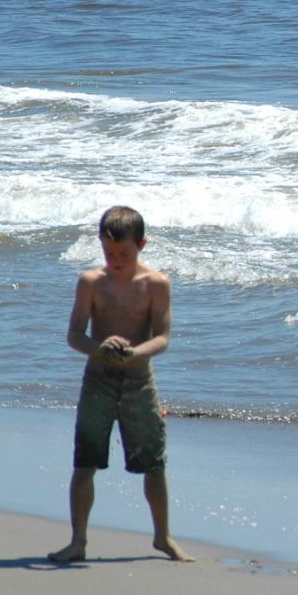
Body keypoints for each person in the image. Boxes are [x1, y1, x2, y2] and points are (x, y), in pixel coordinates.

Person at [48, 206, 193, 563]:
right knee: (85, 462)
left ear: (141, 245)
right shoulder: (91, 282)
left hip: (139, 381)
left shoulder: (156, 284)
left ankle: (163, 538)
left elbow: (162, 338)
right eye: (108, 252)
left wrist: (134, 353)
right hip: (97, 379)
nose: (115, 260)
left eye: (124, 253)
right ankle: (78, 541)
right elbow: (74, 335)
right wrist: (99, 349)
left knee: (154, 463)